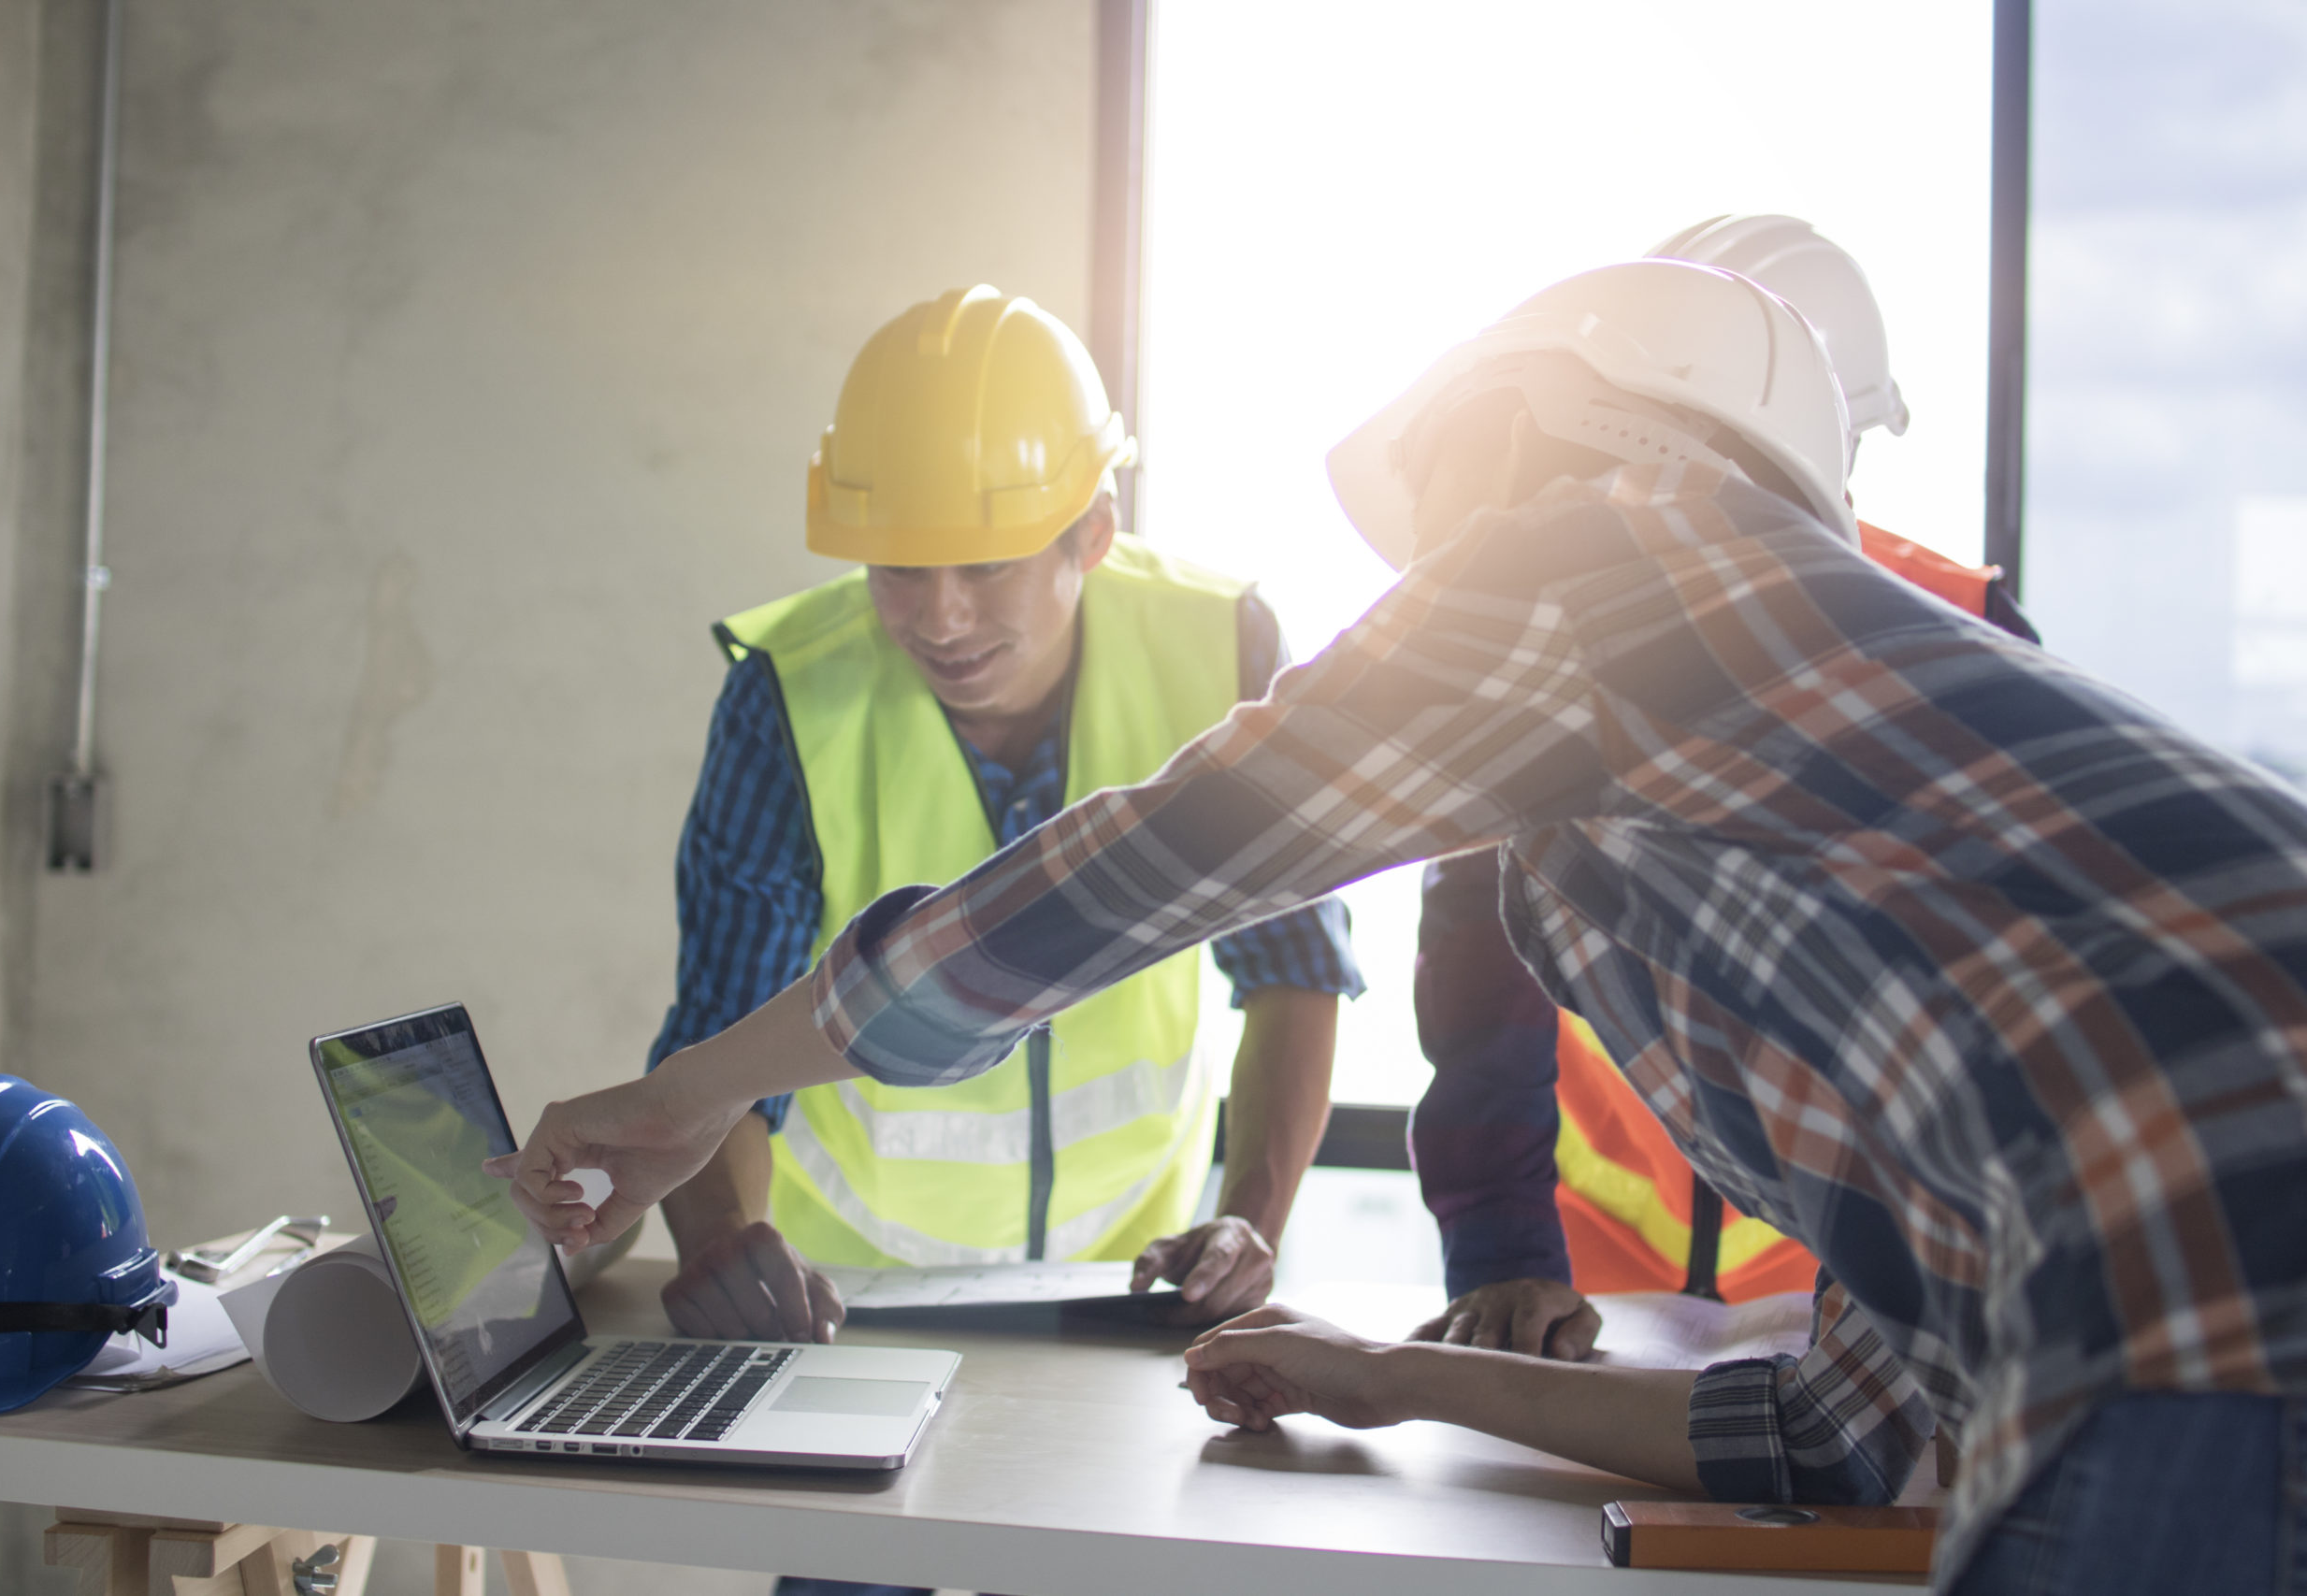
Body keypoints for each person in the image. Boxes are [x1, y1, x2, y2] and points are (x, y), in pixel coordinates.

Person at [495, 258, 2307, 1595]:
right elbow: (1840, 1422)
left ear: (1518, 434)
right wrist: (1385, 1375)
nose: (1414, 593)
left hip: (2206, 1272)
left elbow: (1142, 871)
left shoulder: (1602, 549)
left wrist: (686, 1098)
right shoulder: (1777, 803)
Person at [643, 285, 1362, 1360]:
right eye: (898, 569)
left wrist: (1248, 1218)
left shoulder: (1222, 652)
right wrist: (722, 1246)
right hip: (845, 1300)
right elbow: (722, 1028)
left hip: (1135, 1288)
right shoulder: (786, 696)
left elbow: (1291, 962)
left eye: (986, 565)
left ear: (1096, 534)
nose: (939, 619)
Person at [1406, 218, 2039, 1364]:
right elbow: (1480, 951)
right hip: (1592, 1292)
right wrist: (1500, 1247)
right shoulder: (1580, 614)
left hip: (1860, 1293)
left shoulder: (1963, 633)